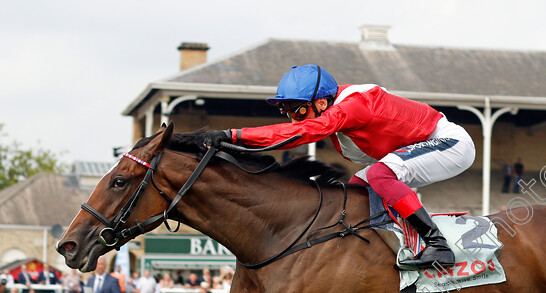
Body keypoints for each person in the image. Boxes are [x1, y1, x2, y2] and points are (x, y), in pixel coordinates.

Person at [204, 64, 475, 268]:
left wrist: (234, 136)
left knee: (381, 173)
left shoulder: (354, 106)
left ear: (322, 102)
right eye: (287, 111)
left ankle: (438, 244)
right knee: (355, 190)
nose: (293, 119)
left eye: (298, 110)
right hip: (418, 148)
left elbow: (302, 134)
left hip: (450, 142)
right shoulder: (333, 109)